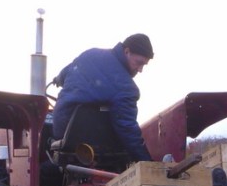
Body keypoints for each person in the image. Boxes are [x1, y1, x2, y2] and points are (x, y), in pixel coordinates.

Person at [51, 33, 154, 162]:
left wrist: (57, 80)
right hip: (93, 143)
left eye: (144, 65)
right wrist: (146, 162)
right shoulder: (126, 88)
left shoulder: (90, 54)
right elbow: (128, 129)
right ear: (127, 51)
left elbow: (66, 72)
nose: (140, 70)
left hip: (61, 130)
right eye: (139, 63)